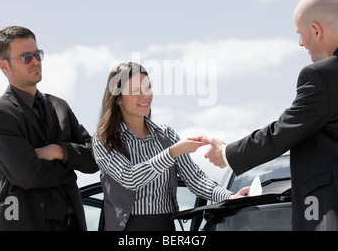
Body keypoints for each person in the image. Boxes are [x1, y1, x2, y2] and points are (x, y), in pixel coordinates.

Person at [202, 0, 338, 231]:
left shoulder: (322, 75)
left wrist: (227, 153)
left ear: (316, 30)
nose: (300, 43)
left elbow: (281, 132)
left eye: (300, 34)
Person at [92, 62, 249, 231]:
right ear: (117, 98)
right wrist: (172, 152)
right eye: (136, 90)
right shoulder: (104, 141)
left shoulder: (166, 135)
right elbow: (130, 178)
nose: (146, 96)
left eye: (148, 87)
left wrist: (230, 196)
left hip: (165, 227)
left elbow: (195, 179)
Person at [0, 26, 98, 231]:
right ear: (4, 66)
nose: (35, 61)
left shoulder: (60, 106)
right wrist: (71, 168)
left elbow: (95, 158)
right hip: (25, 223)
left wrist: (61, 151)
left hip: (71, 225)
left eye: (37, 54)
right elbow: (28, 175)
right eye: (26, 57)